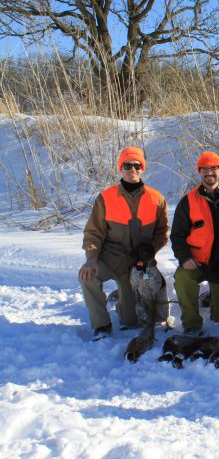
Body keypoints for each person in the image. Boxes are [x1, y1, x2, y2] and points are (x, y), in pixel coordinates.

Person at [78, 146, 169, 340]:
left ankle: (120, 298)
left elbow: (163, 232)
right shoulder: (106, 198)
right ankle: (101, 325)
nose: (132, 169)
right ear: (121, 168)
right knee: (87, 275)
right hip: (111, 259)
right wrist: (92, 258)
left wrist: (151, 248)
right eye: (127, 165)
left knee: (131, 321)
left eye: (137, 165)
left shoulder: (157, 198)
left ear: (143, 168)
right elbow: (93, 233)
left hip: (138, 263)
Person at [170, 151, 219, 336]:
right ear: (199, 172)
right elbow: (177, 235)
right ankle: (191, 324)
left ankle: (217, 306)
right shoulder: (188, 201)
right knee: (182, 278)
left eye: (213, 168)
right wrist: (185, 258)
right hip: (198, 261)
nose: (209, 172)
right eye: (204, 169)